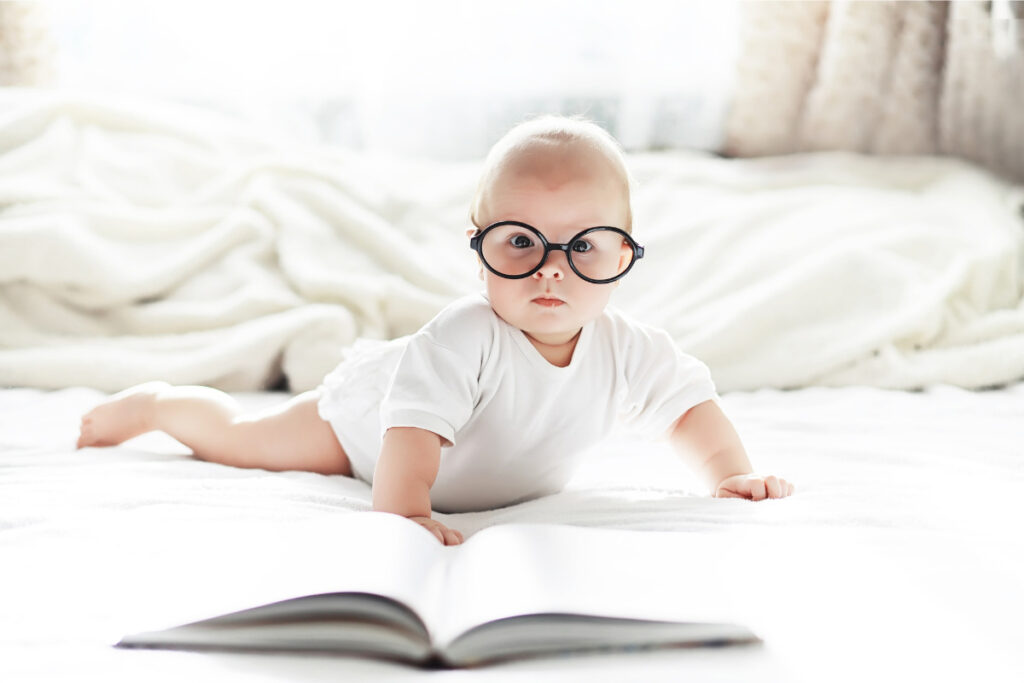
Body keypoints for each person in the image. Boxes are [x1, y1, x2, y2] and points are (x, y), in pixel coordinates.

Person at [77, 115, 795, 546]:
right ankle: (156, 404)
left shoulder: (629, 350)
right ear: (478, 246)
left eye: (582, 247)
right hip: (365, 428)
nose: (550, 271)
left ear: (624, 253)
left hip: (432, 443)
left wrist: (729, 474)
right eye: (521, 243)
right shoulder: (465, 336)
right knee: (242, 440)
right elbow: (412, 440)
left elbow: (689, 408)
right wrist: (406, 512)